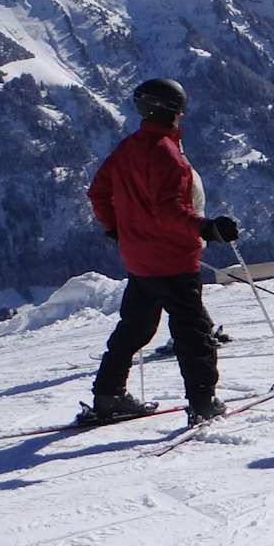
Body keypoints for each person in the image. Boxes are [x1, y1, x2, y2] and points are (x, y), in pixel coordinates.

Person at [87, 78, 242, 427]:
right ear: (173, 111)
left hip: (138, 260)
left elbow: (97, 192)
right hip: (173, 262)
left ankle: (108, 395)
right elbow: (168, 212)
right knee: (194, 333)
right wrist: (207, 227)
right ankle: (203, 404)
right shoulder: (169, 157)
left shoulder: (128, 148)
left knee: (134, 329)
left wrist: (115, 229)